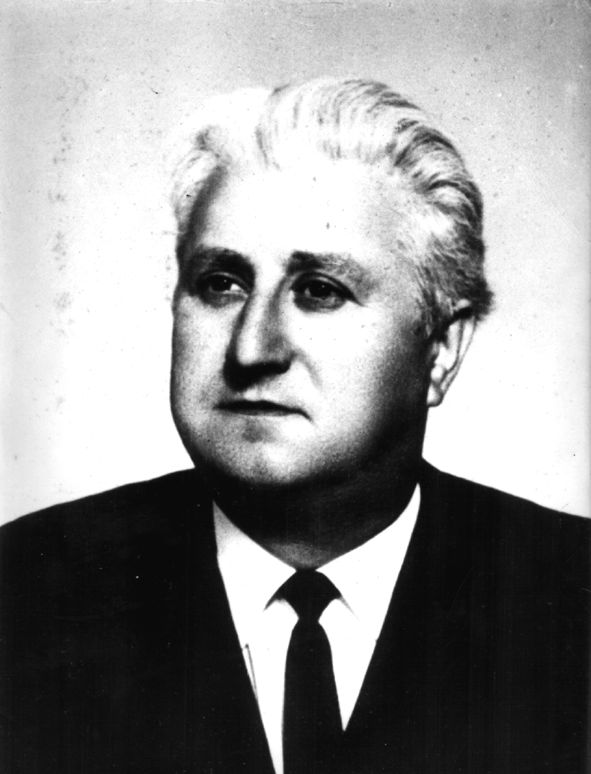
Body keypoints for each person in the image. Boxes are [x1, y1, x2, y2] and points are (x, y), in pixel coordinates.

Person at [1, 78, 588, 774]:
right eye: (221, 284)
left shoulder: (569, 596)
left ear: (440, 348)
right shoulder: (23, 594)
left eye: (319, 291)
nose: (252, 349)